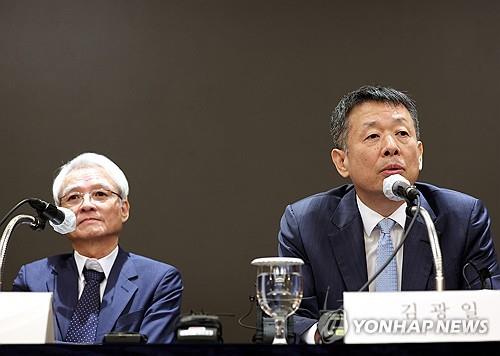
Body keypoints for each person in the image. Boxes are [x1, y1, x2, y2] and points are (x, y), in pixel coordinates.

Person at [277, 85, 499, 343]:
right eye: (372, 136)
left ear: (420, 154)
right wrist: (324, 333)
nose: (391, 147)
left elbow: (489, 314)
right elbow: (281, 318)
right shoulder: (304, 224)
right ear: (342, 161)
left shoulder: (463, 218)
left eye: (402, 133)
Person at [13, 152, 183, 344]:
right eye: (73, 197)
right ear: (58, 217)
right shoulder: (33, 278)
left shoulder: (158, 280)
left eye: (100, 194)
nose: (86, 205)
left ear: (124, 209)